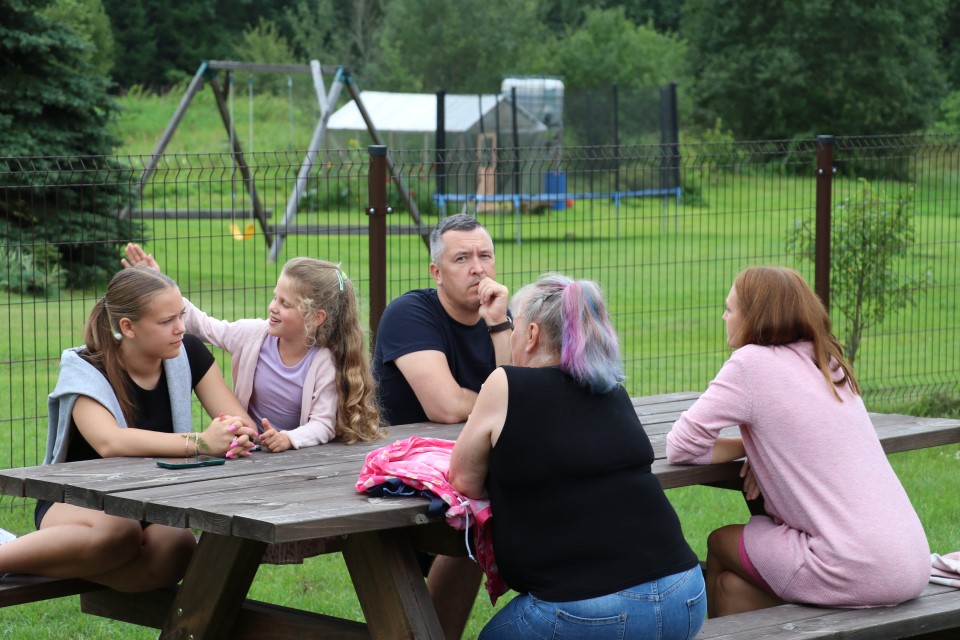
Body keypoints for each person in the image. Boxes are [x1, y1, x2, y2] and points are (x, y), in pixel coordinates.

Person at [449, 273, 706, 640]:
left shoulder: (504, 383)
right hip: (686, 595)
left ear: (532, 334)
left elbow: (462, 480)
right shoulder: (611, 389)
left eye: (513, 325)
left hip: (588, 613)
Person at [666, 266, 930, 618]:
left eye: (730, 309)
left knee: (719, 542)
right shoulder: (827, 361)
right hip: (911, 563)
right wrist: (761, 448)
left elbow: (682, 445)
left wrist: (754, 448)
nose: (724, 317)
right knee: (730, 588)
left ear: (754, 316)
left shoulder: (750, 364)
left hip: (851, 565)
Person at [0, 266, 259, 591]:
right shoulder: (86, 368)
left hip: (151, 503)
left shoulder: (189, 352)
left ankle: (48, 562)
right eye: (166, 321)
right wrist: (200, 442)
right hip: (77, 503)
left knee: (178, 546)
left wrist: (238, 433)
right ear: (128, 327)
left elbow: (241, 423)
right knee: (119, 532)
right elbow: (110, 441)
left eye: (181, 315)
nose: (180, 327)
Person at [372, 213, 511, 638]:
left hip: (467, 469)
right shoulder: (409, 313)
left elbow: (522, 398)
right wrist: (496, 406)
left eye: (485, 256)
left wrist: (499, 326)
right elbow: (446, 407)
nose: (478, 269)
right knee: (480, 516)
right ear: (436, 272)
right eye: (462, 259)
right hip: (398, 477)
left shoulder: (501, 317)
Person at [122, 243, 382, 449]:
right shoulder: (252, 334)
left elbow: (323, 424)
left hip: (294, 460)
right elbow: (204, 326)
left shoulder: (323, 361)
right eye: (275, 297)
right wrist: (160, 285)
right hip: (248, 449)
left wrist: (289, 439)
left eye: (285, 304)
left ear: (316, 317)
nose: (273, 307)